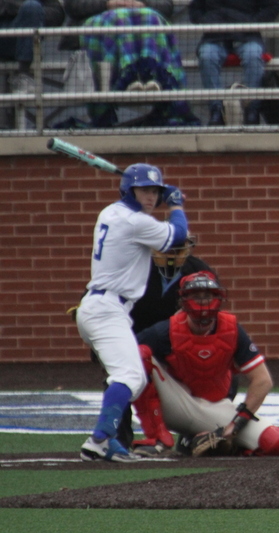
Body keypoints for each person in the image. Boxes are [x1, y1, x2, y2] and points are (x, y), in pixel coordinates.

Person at [76, 163, 188, 462]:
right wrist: (176, 205)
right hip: (107, 310)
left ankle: (109, 439)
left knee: (129, 377)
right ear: (129, 190)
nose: (151, 197)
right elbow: (178, 235)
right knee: (130, 376)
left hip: (100, 307)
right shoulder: (136, 222)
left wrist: (162, 197)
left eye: (155, 191)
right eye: (144, 190)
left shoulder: (110, 212)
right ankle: (99, 440)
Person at [131, 270, 279, 458]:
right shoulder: (165, 331)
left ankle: (197, 439)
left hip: (215, 406)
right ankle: (157, 438)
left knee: (276, 442)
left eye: (207, 296)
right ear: (184, 300)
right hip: (178, 403)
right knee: (137, 355)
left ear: (218, 297)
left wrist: (236, 424)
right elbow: (125, 356)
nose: (203, 302)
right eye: (196, 296)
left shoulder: (231, 329)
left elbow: (263, 380)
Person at [102, 237, 219, 449]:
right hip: (135, 340)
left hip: (178, 343)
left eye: (177, 250)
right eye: (166, 249)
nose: (171, 256)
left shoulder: (199, 271)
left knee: (218, 368)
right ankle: (118, 438)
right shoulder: (131, 269)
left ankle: (197, 433)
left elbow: (211, 316)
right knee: (119, 375)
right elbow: (103, 301)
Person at [59, 0, 200, 127]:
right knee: (119, 17)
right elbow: (73, 5)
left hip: (141, 16)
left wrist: (142, 4)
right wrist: (108, 4)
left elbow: (166, 5)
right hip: (98, 23)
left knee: (147, 15)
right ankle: (127, 80)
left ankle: (150, 78)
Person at [189, 0, 279, 126]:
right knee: (206, 56)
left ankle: (252, 111)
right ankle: (217, 111)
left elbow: (273, 6)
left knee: (253, 55)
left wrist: (252, 23)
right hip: (214, 38)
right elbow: (194, 9)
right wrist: (207, 21)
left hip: (247, 37)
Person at [0, 0, 65, 92]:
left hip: (23, 40)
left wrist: (34, 15)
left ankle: (23, 77)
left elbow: (57, 14)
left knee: (32, 7)